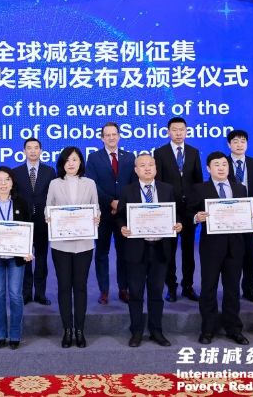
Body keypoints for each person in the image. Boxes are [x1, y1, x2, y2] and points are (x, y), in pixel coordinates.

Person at [189, 151, 253, 346]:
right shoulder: (199, 189)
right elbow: (188, 213)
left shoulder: (240, 188)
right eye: (216, 165)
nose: (221, 168)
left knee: (232, 288)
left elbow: (248, 217)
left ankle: (234, 329)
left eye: (224, 164)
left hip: (235, 246)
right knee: (208, 288)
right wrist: (196, 218)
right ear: (208, 168)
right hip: (211, 247)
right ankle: (208, 329)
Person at [116, 154, 182, 348]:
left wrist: (178, 223)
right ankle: (136, 331)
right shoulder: (128, 190)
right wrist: (122, 227)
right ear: (136, 170)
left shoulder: (167, 189)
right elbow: (119, 216)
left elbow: (176, 213)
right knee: (136, 293)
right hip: (136, 249)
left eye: (151, 164)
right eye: (142, 165)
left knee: (156, 292)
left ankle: (156, 331)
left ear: (156, 168)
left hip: (160, 248)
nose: (147, 168)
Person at [46, 146, 100, 348]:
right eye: (67, 160)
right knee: (63, 286)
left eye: (75, 159)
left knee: (80, 286)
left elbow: (96, 207)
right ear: (62, 163)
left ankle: (80, 330)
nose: (71, 163)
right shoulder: (54, 183)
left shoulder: (90, 183)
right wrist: (49, 217)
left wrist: (96, 217)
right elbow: (48, 207)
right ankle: (67, 330)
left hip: (84, 244)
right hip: (60, 245)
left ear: (80, 163)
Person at [0, 167, 33, 350]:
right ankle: (0, 334)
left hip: (16, 256)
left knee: (15, 295)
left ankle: (15, 335)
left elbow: (29, 227)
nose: (3, 183)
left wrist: (28, 249)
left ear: (12, 182)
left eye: (7, 179)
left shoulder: (21, 202)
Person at [86, 122, 136, 305]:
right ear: (102, 138)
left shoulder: (129, 157)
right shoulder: (93, 158)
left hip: (123, 213)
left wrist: (120, 203)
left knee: (124, 252)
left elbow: (133, 184)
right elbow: (93, 184)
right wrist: (110, 202)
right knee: (101, 252)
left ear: (119, 136)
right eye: (107, 135)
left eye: (114, 134)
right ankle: (104, 291)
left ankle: (123, 289)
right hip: (102, 213)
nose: (111, 137)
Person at [154, 117, 203, 302]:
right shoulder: (160, 153)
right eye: (174, 130)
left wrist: (197, 205)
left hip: (190, 210)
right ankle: (171, 288)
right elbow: (158, 182)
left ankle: (188, 286)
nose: (178, 133)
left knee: (189, 251)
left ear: (186, 131)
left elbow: (198, 182)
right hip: (170, 209)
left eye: (181, 129)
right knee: (169, 251)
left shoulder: (193, 152)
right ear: (168, 132)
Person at [12, 138, 55, 306]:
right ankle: (26, 293)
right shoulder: (15, 172)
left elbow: (53, 196)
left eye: (36, 148)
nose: (32, 151)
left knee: (42, 259)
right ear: (24, 151)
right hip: (23, 223)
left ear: (41, 151)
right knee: (25, 259)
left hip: (43, 222)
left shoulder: (49, 171)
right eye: (29, 148)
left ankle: (40, 294)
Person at [226, 130, 253, 303]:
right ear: (229, 145)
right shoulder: (222, 162)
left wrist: (248, 204)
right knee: (230, 255)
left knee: (249, 255)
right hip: (227, 215)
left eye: (243, 141)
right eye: (235, 141)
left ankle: (249, 290)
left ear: (247, 144)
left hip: (249, 216)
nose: (239, 144)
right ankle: (231, 290)